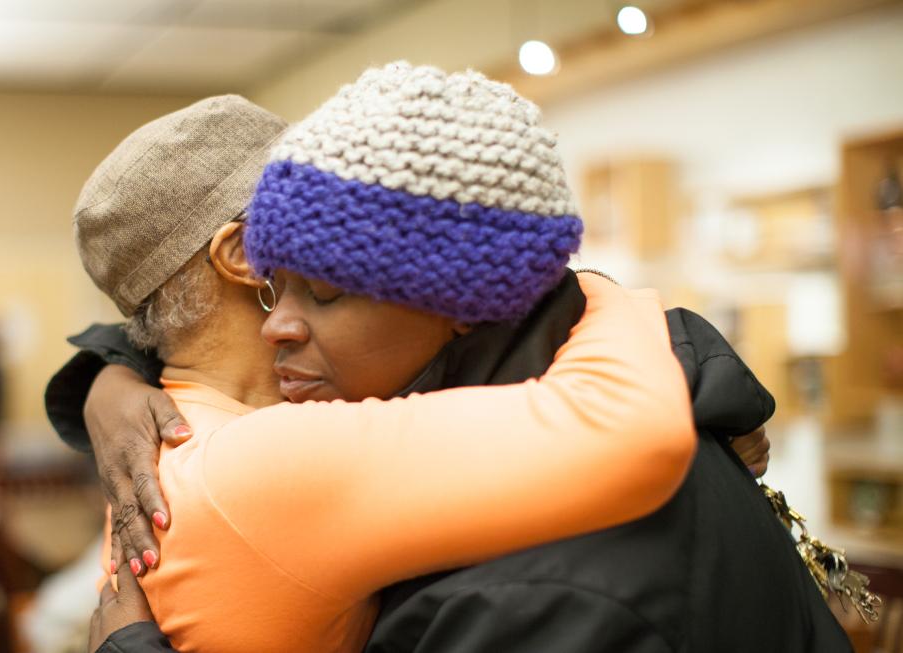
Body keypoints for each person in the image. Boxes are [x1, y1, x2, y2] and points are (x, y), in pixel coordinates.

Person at [59, 64, 852, 652]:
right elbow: (616, 413)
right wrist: (626, 306)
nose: (278, 326)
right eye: (279, 281)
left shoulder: (530, 575)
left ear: (454, 300)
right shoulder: (302, 444)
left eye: (323, 288)